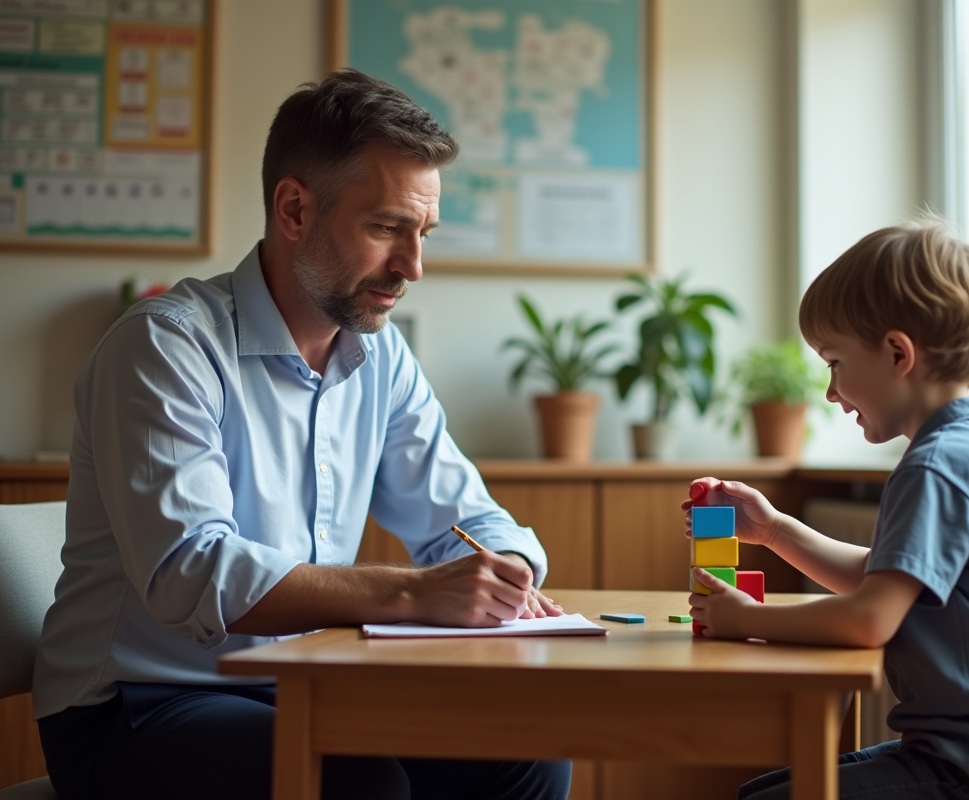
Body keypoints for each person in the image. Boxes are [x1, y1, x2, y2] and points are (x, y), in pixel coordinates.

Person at [32, 70, 571, 800]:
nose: (413, 267)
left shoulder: (380, 357)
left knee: (525, 752)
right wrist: (412, 594)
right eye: (386, 228)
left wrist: (503, 567)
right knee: (358, 784)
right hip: (138, 707)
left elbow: (467, 522)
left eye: (423, 234)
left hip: (303, 686)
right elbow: (191, 574)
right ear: (293, 209)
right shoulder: (164, 347)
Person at [683, 219, 969, 800]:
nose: (829, 392)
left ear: (898, 353)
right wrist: (773, 531)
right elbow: (882, 578)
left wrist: (744, 620)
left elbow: (868, 619)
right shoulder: (967, 447)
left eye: (835, 363)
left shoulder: (939, 465)